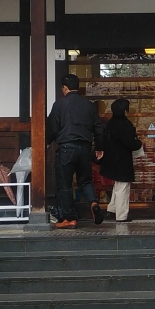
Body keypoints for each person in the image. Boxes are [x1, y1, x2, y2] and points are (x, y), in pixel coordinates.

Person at [46, 73, 104, 228]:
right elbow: (99, 128)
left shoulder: (59, 105)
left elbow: (52, 128)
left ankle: (69, 218)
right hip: (85, 148)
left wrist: (45, 143)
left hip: (66, 148)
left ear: (64, 88)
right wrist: (99, 148)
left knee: (64, 184)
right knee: (85, 181)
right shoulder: (89, 105)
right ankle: (93, 203)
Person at [98, 98, 142, 222]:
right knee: (123, 187)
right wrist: (138, 143)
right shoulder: (125, 124)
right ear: (124, 110)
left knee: (118, 186)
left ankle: (112, 210)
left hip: (111, 159)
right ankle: (121, 215)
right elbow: (129, 142)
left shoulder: (110, 123)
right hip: (122, 160)